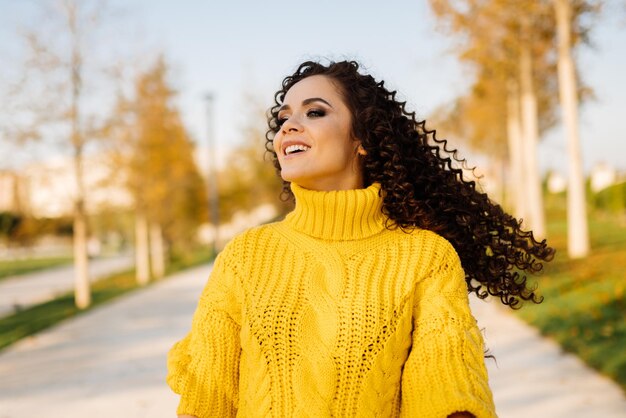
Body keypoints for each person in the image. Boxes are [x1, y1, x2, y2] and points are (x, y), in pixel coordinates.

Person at [166, 60, 554, 418]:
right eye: (283, 118)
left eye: (314, 112)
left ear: (362, 139)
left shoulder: (424, 257)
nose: (288, 126)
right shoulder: (244, 256)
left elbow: (446, 389)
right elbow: (206, 398)